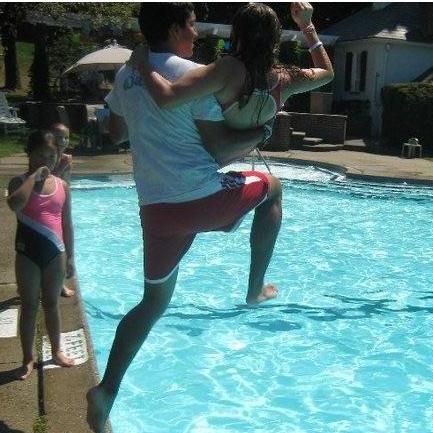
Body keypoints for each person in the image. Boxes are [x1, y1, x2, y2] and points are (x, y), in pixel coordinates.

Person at [87, 3, 283, 431]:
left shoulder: (126, 74)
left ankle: (105, 392)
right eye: (192, 26)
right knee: (272, 187)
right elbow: (220, 149)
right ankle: (255, 289)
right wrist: (260, 132)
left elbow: (115, 133)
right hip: (200, 199)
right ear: (176, 28)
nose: (196, 34)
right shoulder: (192, 74)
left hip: (157, 212)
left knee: (152, 304)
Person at [131, 2, 334, 132]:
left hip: (211, 159)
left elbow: (166, 98)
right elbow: (327, 73)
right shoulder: (285, 78)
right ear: (275, 38)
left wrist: (143, 65)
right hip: (244, 151)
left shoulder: (226, 70)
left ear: (236, 33)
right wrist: (307, 26)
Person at [7, 130, 76, 380]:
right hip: (27, 253)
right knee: (29, 306)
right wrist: (33, 178)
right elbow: (14, 204)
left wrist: (70, 257)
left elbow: (67, 223)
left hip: (55, 253)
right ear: (29, 154)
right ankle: (27, 359)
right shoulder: (18, 182)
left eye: (50, 156)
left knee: (51, 304)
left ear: (57, 156)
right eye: (39, 155)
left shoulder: (62, 186)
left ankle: (57, 350)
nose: (45, 161)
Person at [51, 123, 75, 297]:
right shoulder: (48, 157)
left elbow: (67, 183)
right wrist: (61, 167)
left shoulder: (67, 158)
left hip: (63, 201)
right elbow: (47, 181)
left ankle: (59, 284)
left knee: (64, 241)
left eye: (66, 138)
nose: (63, 141)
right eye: (59, 137)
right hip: (49, 203)